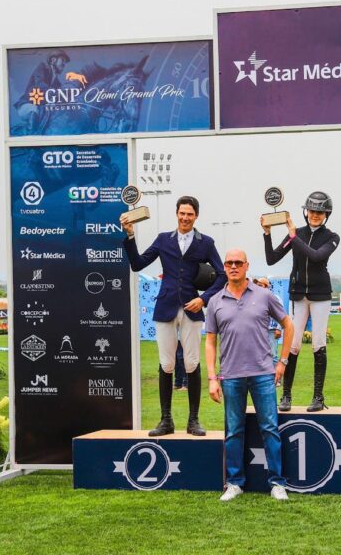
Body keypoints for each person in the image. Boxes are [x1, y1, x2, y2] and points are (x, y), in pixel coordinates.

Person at [120, 196, 226, 437]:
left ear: (196, 216)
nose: (185, 218)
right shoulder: (162, 239)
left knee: (192, 363)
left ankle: (193, 421)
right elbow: (137, 264)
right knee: (166, 364)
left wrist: (204, 299)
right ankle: (165, 420)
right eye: (182, 213)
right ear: (176, 214)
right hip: (165, 306)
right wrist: (130, 235)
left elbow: (221, 275)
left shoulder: (206, 243)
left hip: (192, 308)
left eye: (190, 214)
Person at [205, 249, 294, 502]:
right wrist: (212, 378)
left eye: (238, 262)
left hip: (263, 373)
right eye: (229, 263)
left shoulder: (264, 295)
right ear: (224, 267)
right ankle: (234, 483)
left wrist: (283, 361)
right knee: (233, 431)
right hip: (231, 376)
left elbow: (288, 324)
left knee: (270, 429)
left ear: (246, 266)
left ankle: (277, 483)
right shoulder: (215, 301)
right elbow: (210, 341)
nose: (233, 266)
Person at [262, 191, 340, 412]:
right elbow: (271, 259)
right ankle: (286, 395)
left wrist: (294, 237)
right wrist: (267, 234)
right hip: (298, 294)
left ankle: (318, 397)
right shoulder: (297, 233)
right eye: (312, 211)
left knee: (318, 342)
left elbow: (316, 256)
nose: (315, 215)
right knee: (293, 344)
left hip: (320, 295)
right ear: (307, 212)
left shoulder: (332, 237)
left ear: (326, 215)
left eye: (320, 212)